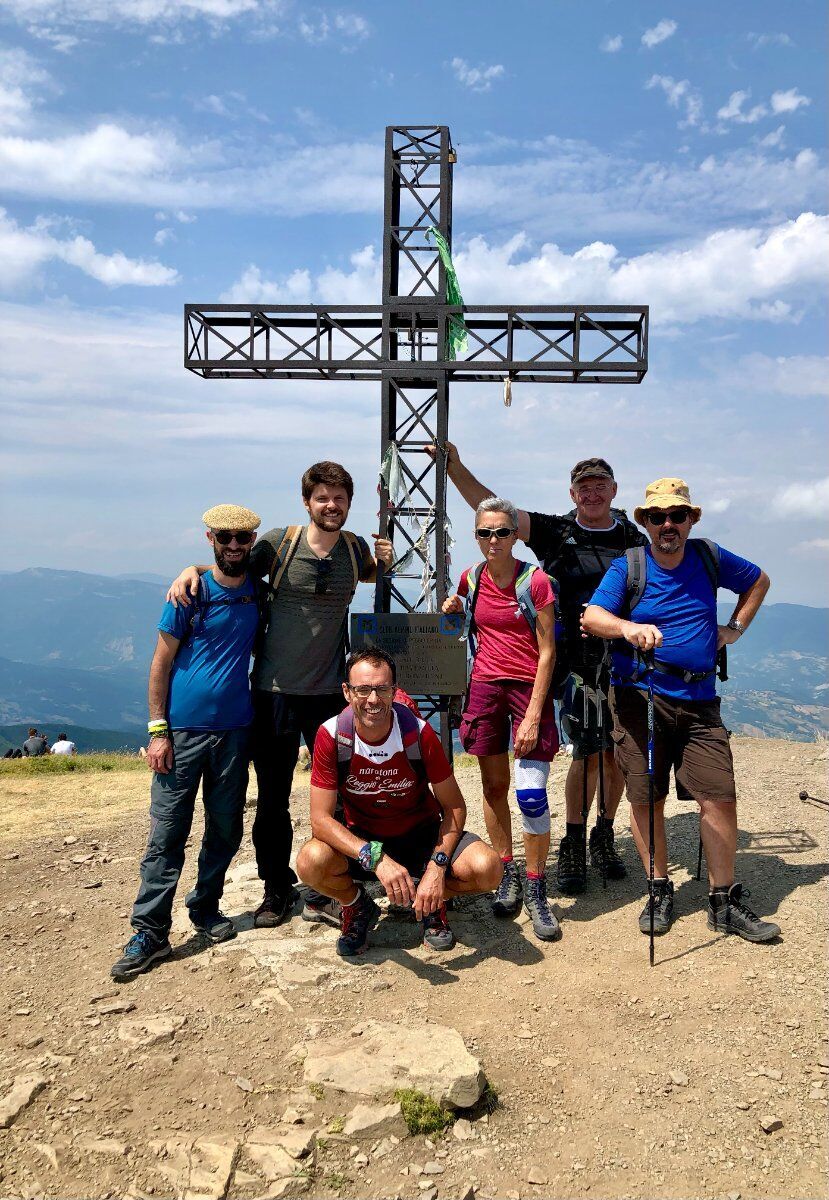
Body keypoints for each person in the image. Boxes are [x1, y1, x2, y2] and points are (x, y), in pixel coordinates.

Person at [167, 462, 394, 930]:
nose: (331, 506)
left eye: (339, 499)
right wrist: (189, 569)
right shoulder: (278, 543)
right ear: (307, 502)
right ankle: (276, 889)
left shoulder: (353, 550)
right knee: (272, 799)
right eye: (322, 498)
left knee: (345, 795)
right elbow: (228, 568)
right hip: (273, 694)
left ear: (349, 504)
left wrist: (384, 559)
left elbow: (371, 573)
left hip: (333, 695)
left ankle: (336, 880)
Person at [435, 444, 646, 895]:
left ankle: (603, 834)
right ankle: (572, 841)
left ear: (613, 490)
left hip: (622, 659)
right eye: (583, 487)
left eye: (599, 485)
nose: (592, 493)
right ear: (572, 493)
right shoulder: (556, 530)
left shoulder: (633, 538)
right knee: (587, 751)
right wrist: (454, 466)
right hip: (569, 660)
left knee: (616, 751)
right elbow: (493, 511)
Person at [582, 477, 780, 943]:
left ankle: (723, 900)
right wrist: (629, 628)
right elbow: (592, 616)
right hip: (638, 699)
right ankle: (658, 888)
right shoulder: (629, 566)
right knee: (646, 798)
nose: (667, 524)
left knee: (719, 796)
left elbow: (758, 580)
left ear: (691, 519)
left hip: (699, 702)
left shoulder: (710, 556)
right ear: (645, 522)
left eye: (677, 515)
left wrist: (734, 627)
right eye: (657, 517)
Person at [111, 505, 262, 982]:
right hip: (181, 734)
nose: (234, 545)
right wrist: (157, 730)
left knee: (224, 828)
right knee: (167, 834)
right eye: (224, 537)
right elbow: (160, 662)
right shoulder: (189, 593)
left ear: (252, 541)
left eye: (242, 538)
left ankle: (205, 907)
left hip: (236, 731)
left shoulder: (258, 588)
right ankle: (150, 930)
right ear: (210, 538)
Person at [296, 648, 502, 957]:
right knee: (309, 863)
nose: (373, 699)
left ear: (394, 690)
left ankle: (432, 900)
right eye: (363, 689)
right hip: (364, 841)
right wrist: (375, 858)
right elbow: (320, 820)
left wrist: (437, 867)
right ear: (347, 692)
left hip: (421, 837)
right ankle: (357, 906)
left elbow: (455, 807)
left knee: (488, 869)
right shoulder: (332, 736)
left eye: (381, 688)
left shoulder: (417, 734)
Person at [442, 497, 561, 941]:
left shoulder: (536, 582)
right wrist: (456, 611)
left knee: (530, 794)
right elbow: (468, 631)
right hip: (485, 688)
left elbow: (548, 651)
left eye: (503, 532)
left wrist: (533, 715)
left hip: (528, 689)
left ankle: (535, 884)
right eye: (485, 533)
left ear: (515, 534)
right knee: (493, 787)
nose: (494, 540)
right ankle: (506, 870)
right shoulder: (470, 578)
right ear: (476, 536)